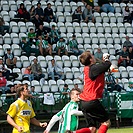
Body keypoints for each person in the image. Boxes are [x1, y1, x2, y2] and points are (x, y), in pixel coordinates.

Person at [66, 52, 111, 133]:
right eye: (92, 56)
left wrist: (102, 63)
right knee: (106, 122)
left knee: (92, 129)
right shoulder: (93, 68)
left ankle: (74, 132)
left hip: (84, 101)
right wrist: (106, 59)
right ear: (90, 59)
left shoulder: (87, 68)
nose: (94, 56)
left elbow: (101, 68)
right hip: (91, 100)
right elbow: (107, 65)